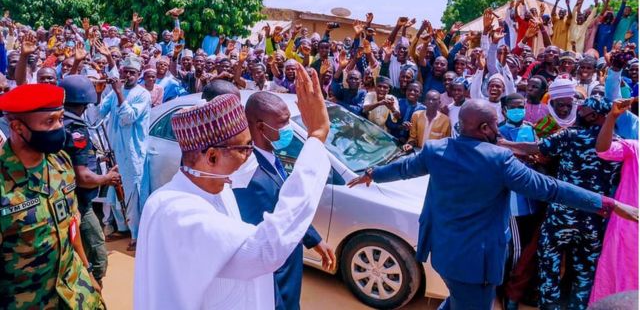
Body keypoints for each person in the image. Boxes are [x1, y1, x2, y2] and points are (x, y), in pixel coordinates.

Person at [347, 98, 637, 309]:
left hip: (444, 254)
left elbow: (404, 167)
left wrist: (371, 174)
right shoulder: (500, 161)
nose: (499, 126)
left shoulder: (435, 150)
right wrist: (608, 203)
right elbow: (550, 188)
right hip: (476, 267)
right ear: (485, 128)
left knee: (457, 301)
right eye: (496, 123)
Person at [134, 67, 332, 310]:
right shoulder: (176, 211)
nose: (250, 156)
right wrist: (317, 136)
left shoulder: (218, 187)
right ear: (213, 157)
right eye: (244, 149)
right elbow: (265, 250)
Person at [500, 97, 623, 309]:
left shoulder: (570, 136)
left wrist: (504, 144)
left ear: (592, 115)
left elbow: (534, 149)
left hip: (561, 218)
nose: (577, 111)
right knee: (584, 274)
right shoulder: (618, 145)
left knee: (549, 268)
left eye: (582, 108)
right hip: (594, 221)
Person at [0, 84, 104, 308]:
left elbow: (72, 224)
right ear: (17, 127)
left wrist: (87, 271)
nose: (59, 128)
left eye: (59, 119)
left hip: (76, 294)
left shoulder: (60, 162)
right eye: (49, 122)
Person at [233, 91, 336, 309]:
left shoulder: (270, 155)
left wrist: (314, 240)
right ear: (261, 127)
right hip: (278, 285)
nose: (289, 127)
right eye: (283, 122)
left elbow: (285, 207)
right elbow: (261, 249)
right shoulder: (250, 176)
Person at [60, 75, 121, 286]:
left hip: (61, 202)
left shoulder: (59, 122)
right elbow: (83, 177)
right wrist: (107, 178)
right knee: (97, 258)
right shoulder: (77, 129)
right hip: (79, 205)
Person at [98, 55, 151, 251]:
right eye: (125, 71)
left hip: (133, 152)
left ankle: (136, 234)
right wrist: (100, 94)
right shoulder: (113, 93)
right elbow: (98, 114)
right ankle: (122, 227)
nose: (127, 75)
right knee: (115, 190)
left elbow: (129, 117)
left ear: (139, 75)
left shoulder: (142, 95)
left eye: (132, 73)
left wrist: (119, 93)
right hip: (114, 150)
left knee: (132, 194)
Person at [589, 98, 638, 304]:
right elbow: (603, 150)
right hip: (628, 230)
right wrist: (611, 118)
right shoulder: (635, 148)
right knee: (618, 285)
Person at [498, 94, 542, 310]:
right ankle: (508, 294)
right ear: (504, 110)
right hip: (513, 201)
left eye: (521, 107)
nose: (519, 110)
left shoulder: (530, 127)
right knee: (515, 250)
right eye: (514, 107)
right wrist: (522, 154)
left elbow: (535, 151)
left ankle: (522, 291)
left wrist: (531, 156)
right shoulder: (498, 131)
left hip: (531, 197)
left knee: (529, 249)